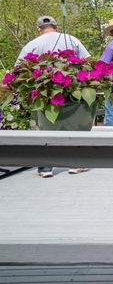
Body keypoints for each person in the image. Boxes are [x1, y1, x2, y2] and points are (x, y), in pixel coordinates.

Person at [17, 16, 90, 178]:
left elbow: (18, 68)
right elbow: (87, 61)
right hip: (72, 89)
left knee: (46, 127)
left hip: (44, 91)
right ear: (56, 27)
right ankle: (76, 165)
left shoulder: (32, 44)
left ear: (39, 29)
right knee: (73, 126)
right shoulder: (71, 39)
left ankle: (45, 168)